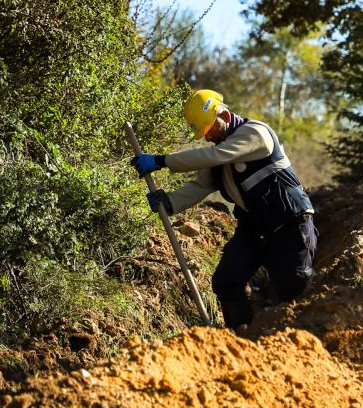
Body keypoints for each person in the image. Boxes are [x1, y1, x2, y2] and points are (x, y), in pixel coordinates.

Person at [131, 89, 316, 330]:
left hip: (288, 225)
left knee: (293, 292)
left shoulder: (256, 133)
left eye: (209, 131)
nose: (207, 138)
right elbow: (201, 185)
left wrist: (161, 160)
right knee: (226, 281)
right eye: (203, 134)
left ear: (226, 117)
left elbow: (215, 155)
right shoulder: (218, 157)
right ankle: (241, 337)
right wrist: (169, 202)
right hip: (254, 229)